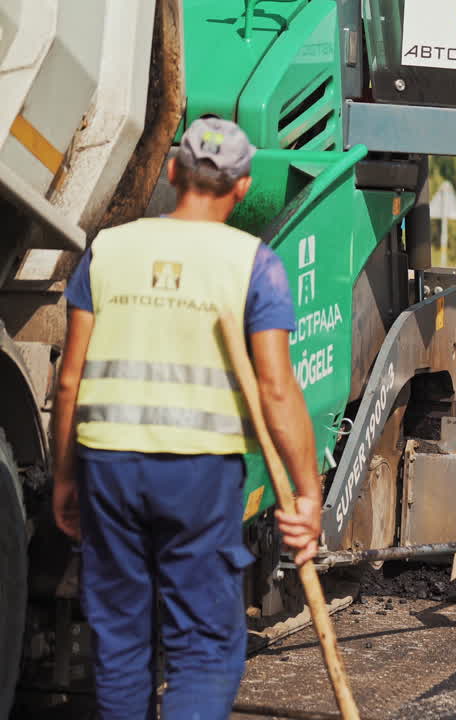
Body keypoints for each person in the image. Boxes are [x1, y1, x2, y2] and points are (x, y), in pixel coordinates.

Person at [50, 116, 321, 720]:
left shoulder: (110, 249)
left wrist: (65, 475)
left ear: (173, 172)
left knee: (120, 645)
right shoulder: (254, 263)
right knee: (202, 647)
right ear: (244, 186)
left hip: (108, 465)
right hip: (198, 474)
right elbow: (277, 388)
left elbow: (69, 379)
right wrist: (307, 494)